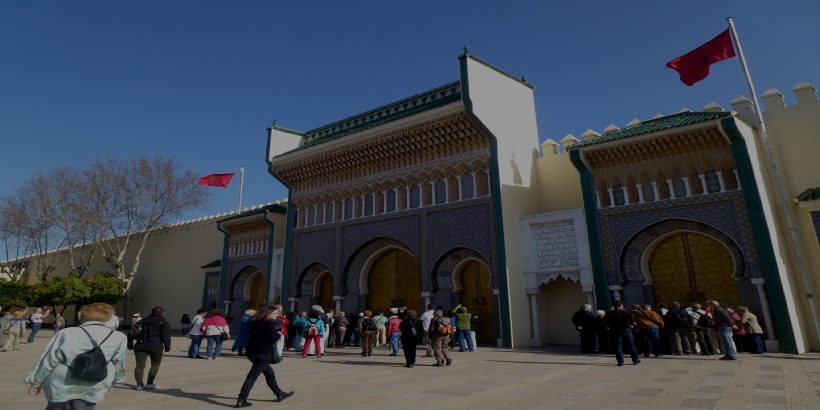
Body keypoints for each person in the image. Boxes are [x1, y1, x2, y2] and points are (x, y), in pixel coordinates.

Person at [25, 303, 127, 410]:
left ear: (84, 316)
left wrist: (36, 382)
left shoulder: (66, 332)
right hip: (95, 379)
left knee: (56, 407)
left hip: (62, 380)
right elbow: (118, 362)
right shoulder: (119, 336)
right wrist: (114, 381)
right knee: (85, 407)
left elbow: (48, 359)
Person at [234, 306, 294, 408]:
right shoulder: (269, 324)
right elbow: (272, 339)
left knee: (270, 374)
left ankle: (279, 394)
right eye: (275, 313)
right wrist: (278, 334)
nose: (277, 315)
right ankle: (241, 399)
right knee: (252, 377)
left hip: (252, 352)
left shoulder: (254, 322)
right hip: (262, 353)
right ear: (268, 314)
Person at [129, 306, 171, 391]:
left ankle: (139, 385)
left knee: (139, 366)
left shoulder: (142, 321)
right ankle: (150, 383)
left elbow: (131, 332)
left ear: (151, 312)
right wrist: (167, 346)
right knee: (155, 365)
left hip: (140, 345)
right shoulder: (163, 322)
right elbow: (166, 336)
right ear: (162, 313)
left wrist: (130, 344)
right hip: (156, 346)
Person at [607, 301, 640, 367]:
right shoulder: (625, 311)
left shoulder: (610, 312)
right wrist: (631, 324)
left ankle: (620, 362)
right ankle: (635, 360)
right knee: (631, 345)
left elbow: (607, 321)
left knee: (618, 346)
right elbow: (631, 318)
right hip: (626, 330)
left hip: (615, 330)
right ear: (621, 305)